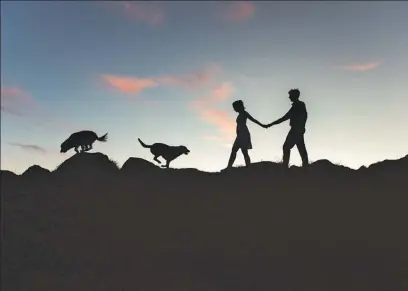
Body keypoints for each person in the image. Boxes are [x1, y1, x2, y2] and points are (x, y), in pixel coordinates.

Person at [266, 89, 309, 168]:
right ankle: (304, 166)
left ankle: (285, 166)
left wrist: (302, 127)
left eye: (290, 95)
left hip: (296, 129)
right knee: (300, 147)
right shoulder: (296, 106)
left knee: (288, 147)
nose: (289, 97)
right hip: (297, 129)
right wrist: (271, 124)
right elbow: (285, 117)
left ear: (294, 96)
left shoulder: (299, 105)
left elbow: (304, 116)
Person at [226, 100, 267, 169]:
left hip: (243, 134)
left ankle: (232, 167)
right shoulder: (240, 114)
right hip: (240, 135)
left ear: (238, 106)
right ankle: (231, 167)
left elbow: (253, 120)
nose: (234, 109)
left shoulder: (244, 113)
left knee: (240, 151)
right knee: (238, 151)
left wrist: (262, 125)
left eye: (234, 107)